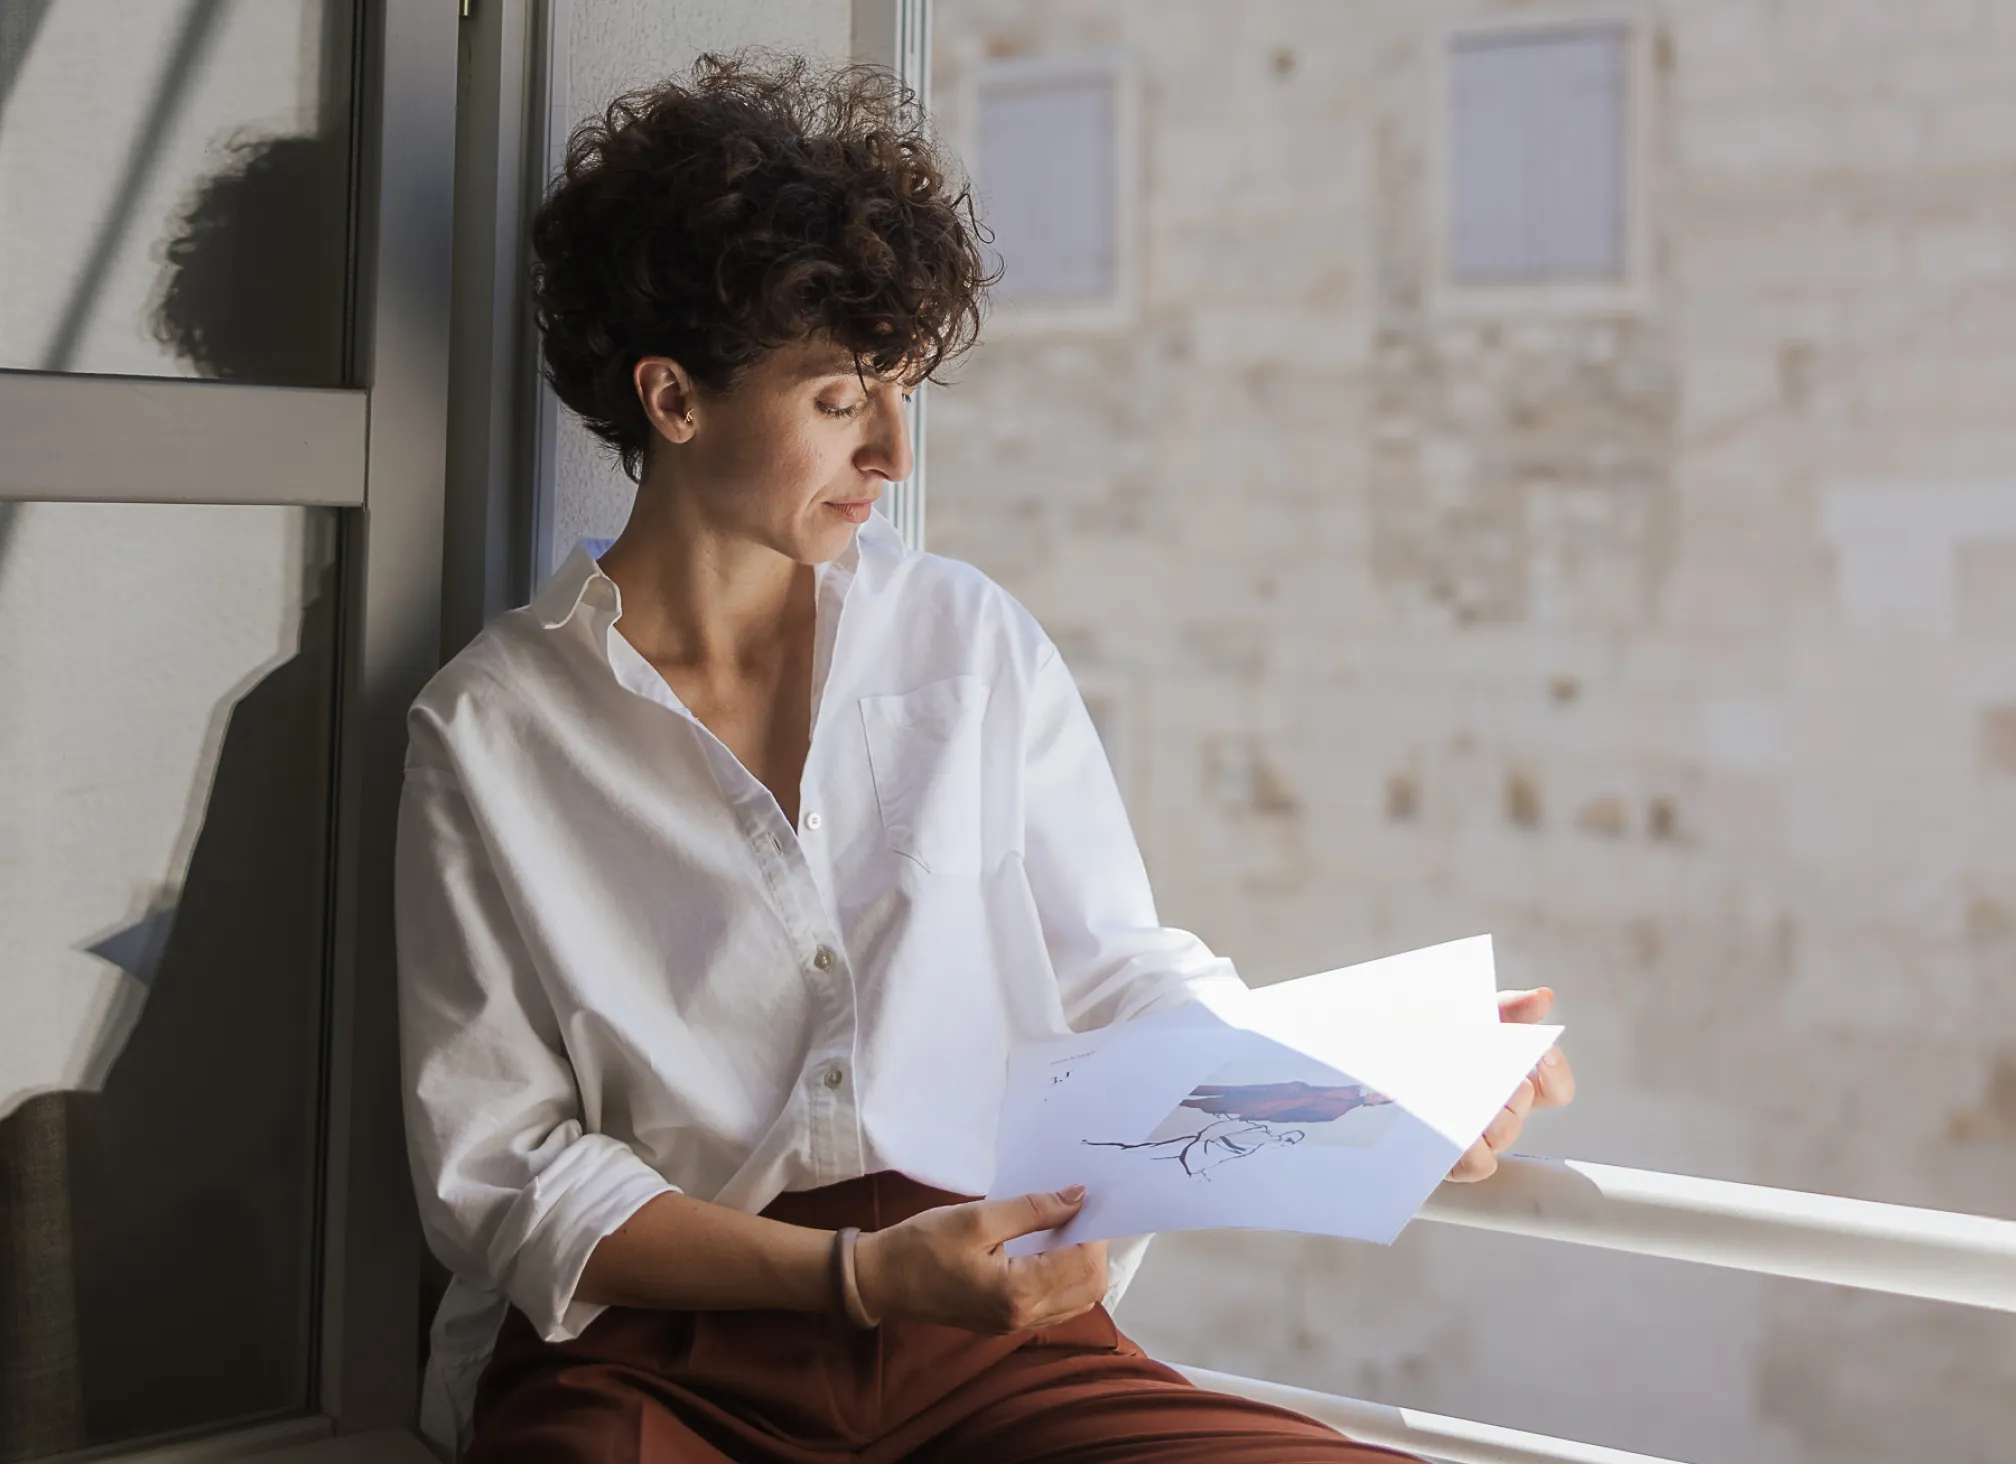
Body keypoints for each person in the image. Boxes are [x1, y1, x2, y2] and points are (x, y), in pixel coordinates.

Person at [394, 54, 1573, 1463]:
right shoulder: (489, 731)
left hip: (987, 1329)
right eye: (841, 400)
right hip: (660, 1354)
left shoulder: (967, 640)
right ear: (672, 398)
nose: (893, 449)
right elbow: (501, 1169)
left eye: (901, 391)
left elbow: (1117, 976)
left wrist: (1369, 1083)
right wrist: (848, 1278)